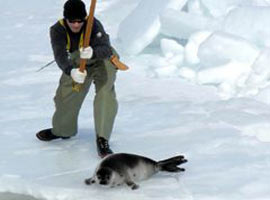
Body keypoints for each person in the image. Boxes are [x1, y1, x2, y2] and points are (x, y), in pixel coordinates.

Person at [36, 0, 118, 158]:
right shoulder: (57, 30)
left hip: (102, 60)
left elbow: (106, 49)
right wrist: (70, 71)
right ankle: (62, 130)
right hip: (77, 63)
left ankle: (102, 139)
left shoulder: (93, 24)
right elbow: (60, 55)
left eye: (79, 21)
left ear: (84, 18)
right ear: (65, 19)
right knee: (66, 95)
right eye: (71, 21)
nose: (75, 25)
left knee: (104, 94)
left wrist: (93, 52)